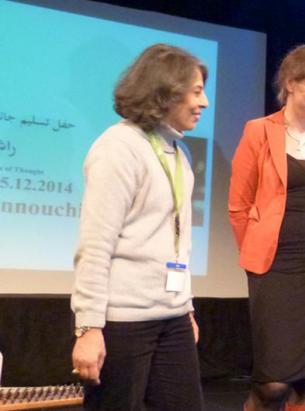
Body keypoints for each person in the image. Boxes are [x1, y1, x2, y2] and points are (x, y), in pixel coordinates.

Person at [70, 43, 209, 410]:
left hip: (172, 317)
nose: (205, 102)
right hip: (124, 322)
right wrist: (88, 328)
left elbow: (177, 241)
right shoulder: (118, 149)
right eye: (196, 92)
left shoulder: (180, 152)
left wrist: (187, 306)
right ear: (166, 92)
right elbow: (95, 245)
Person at [228, 44, 305, 411]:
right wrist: (256, 252)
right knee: (272, 384)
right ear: (291, 82)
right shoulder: (258, 132)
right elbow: (238, 206)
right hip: (275, 266)